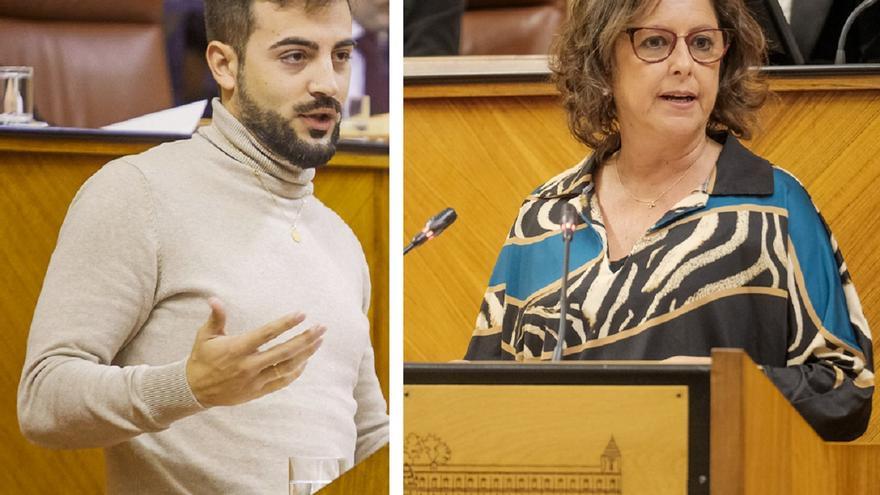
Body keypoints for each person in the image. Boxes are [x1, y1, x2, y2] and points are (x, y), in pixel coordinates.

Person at [17, 0, 388, 492]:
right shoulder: (136, 192)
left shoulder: (340, 237)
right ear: (224, 65)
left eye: (340, 56)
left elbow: (369, 435)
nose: (328, 84)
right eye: (295, 56)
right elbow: (43, 400)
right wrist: (189, 387)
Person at [464, 0, 873, 441]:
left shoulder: (774, 206)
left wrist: (725, 385)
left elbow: (847, 391)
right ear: (603, 62)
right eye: (656, 42)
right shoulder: (545, 214)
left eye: (703, 44)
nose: (684, 64)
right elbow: (482, 396)